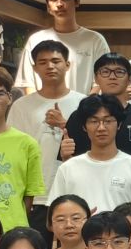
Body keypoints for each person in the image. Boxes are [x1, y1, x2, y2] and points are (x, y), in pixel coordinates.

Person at [50, 93, 131, 218]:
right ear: (84, 127)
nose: (101, 128)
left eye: (108, 121)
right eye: (94, 121)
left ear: (119, 124)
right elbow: (54, 217)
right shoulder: (67, 168)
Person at [8, 37, 82, 206]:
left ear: (67, 65)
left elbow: (93, 144)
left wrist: (64, 124)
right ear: (34, 68)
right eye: (43, 62)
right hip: (34, 194)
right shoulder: (21, 106)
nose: (50, 66)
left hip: (74, 190)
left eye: (56, 61)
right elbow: (14, 150)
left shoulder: (83, 103)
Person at [17, 0, 110, 97]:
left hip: (83, 107)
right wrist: (39, 106)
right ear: (48, 6)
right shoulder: (36, 39)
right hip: (42, 107)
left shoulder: (95, 40)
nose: (59, 4)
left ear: (77, 2)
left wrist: (85, 106)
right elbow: (28, 83)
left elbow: (101, 82)